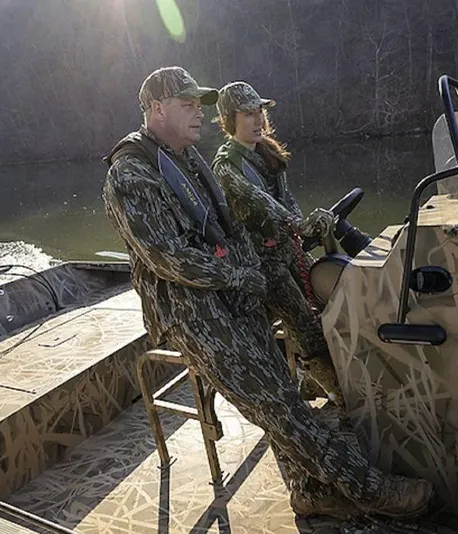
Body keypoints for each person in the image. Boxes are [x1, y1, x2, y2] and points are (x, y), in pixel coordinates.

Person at [102, 65, 433, 520]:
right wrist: (241, 276)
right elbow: (168, 258)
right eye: (188, 104)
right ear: (157, 110)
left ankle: (306, 490)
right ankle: (370, 489)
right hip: (190, 315)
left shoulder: (185, 158)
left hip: (230, 296)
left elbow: (230, 226)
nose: (199, 113)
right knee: (278, 404)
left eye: (200, 104)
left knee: (281, 392)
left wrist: (249, 275)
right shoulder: (130, 173)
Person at [210, 81, 342, 407]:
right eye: (248, 114)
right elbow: (259, 200)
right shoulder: (226, 165)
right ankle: (343, 401)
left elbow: (286, 199)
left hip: (287, 248)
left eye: (260, 112)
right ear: (229, 119)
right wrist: (297, 223)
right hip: (262, 262)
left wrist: (307, 224)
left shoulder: (268, 153)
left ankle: (312, 381)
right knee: (305, 327)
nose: (258, 120)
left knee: (333, 300)